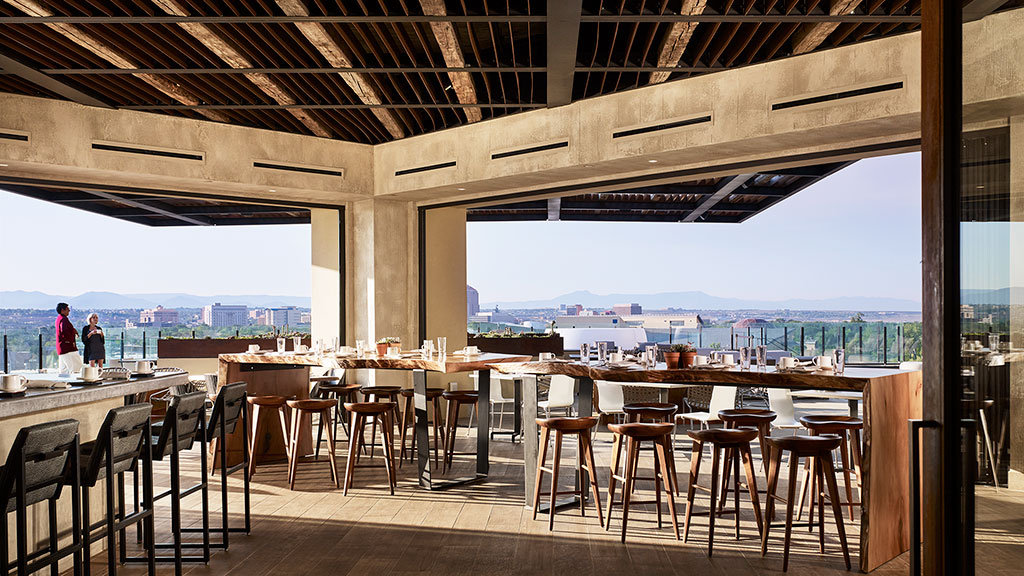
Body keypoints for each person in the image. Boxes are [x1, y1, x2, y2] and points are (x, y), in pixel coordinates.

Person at [55, 302, 83, 374]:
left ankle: (63, 382)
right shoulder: (63, 320)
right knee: (76, 367)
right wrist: (71, 340)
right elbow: (64, 331)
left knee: (64, 369)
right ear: (62, 310)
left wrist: (73, 330)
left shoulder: (59, 319)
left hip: (62, 347)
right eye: (67, 309)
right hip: (68, 347)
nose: (69, 311)